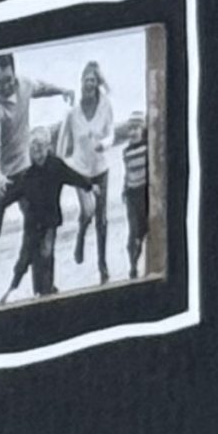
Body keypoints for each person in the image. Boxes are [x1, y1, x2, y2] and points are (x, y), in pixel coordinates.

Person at [0, 49, 72, 291]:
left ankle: (44, 288)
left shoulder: (25, 85)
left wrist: (63, 90)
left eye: (9, 79)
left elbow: (42, 87)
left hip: (26, 175)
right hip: (0, 180)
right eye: (1, 82)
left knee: (40, 226)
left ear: (14, 73)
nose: (6, 86)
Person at [0, 124, 106, 302]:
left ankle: (47, 290)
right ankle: (15, 286)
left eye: (41, 147)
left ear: (47, 147)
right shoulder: (28, 175)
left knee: (46, 253)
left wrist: (90, 186)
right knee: (26, 257)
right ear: (30, 152)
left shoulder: (56, 165)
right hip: (32, 224)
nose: (38, 152)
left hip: (50, 221)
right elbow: (13, 193)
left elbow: (73, 176)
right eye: (34, 149)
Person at [57, 59, 119, 280]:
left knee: (102, 219)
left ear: (97, 83)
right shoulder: (72, 113)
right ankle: (81, 233)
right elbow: (61, 147)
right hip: (81, 170)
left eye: (93, 80)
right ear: (81, 82)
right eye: (86, 80)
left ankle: (102, 265)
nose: (90, 84)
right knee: (88, 211)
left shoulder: (105, 106)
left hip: (101, 169)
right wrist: (61, 169)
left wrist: (104, 144)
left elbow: (112, 134)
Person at [119, 106, 152, 281]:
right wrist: (124, 188)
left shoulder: (148, 148)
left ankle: (142, 260)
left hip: (144, 192)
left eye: (136, 128)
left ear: (143, 129)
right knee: (133, 232)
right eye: (130, 129)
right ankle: (133, 266)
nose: (132, 132)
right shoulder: (126, 152)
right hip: (132, 194)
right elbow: (127, 172)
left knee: (144, 228)